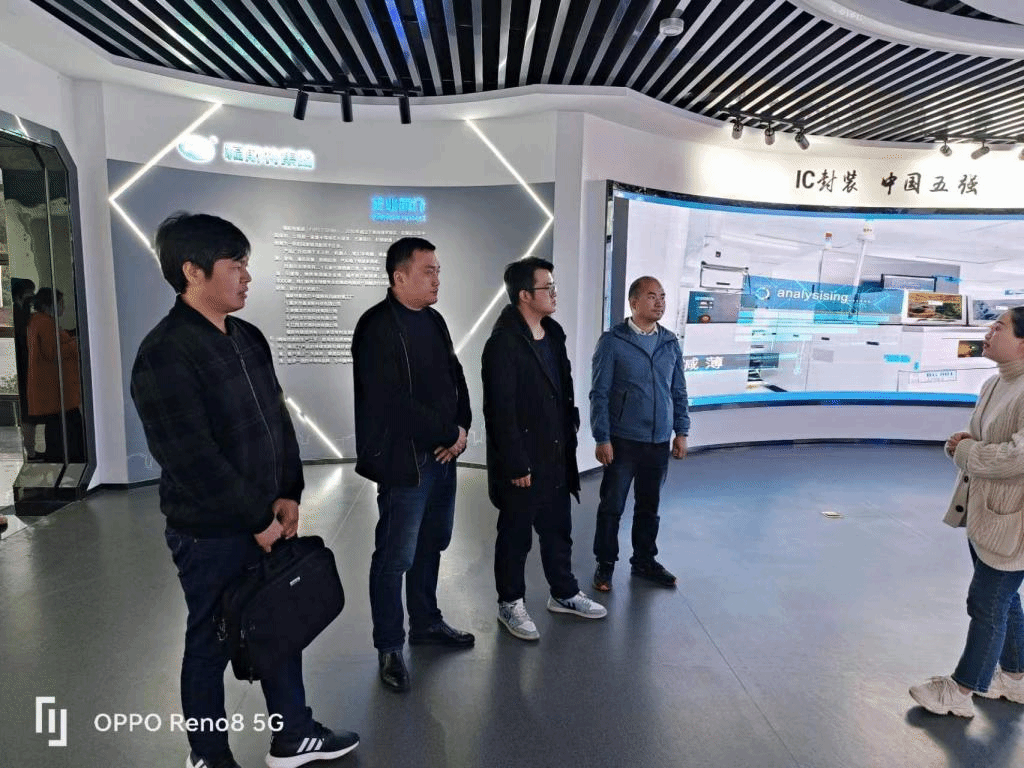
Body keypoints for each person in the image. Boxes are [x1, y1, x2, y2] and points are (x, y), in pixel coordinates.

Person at [131, 213, 358, 768]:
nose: (247, 276)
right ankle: (208, 754)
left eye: (246, 264)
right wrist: (256, 518)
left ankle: (293, 735)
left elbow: (277, 420)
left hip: (267, 517)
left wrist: (288, 492)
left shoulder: (247, 337)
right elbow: (191, 459)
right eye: (235, 265)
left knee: (280, 626)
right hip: (211, 534)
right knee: (210, 643)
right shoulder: (164, 353)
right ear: (192, 271)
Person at [352, 236, 474, 693]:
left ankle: (425, 622)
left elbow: (456, 377)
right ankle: (389, 645)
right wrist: (446, 433)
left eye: (438, 270)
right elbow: (390, 403)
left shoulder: (434, 320)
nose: (437, 278)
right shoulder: (376, 327)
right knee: (395, 556)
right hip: (405, 462)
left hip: (443, 456)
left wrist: (461, 428)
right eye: (428, 271)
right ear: (399, 276)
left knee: (432, 543)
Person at [483, 256, 607, 642]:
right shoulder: (503, 343)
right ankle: (509, 602)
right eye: (547, 287)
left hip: (556, 453)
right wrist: (516, 462)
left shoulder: (552, 333)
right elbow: (499, 411)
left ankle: (564, 592)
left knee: (558, 529)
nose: (554, 293)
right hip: (522, 461)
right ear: (524, 295)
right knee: (516, 535)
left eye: (554, 286)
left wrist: (571, 429)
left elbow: (562, 389)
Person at [909, 308, 1024, 718]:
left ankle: (961, 690)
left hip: (1014, 522)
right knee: (1003, 598)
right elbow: (981, 441)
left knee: (987, 602)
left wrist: (968, 451)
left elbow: (1017, 456)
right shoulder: (995, 383)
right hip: (989, 515)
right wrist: (961, 444)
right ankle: (1015, 677)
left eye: (999, 327)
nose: (988, 332)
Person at [589, 276, 690, 592]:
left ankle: (644, 560)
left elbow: (678, 390)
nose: (659, 302)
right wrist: (602, 437)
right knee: (612, 507)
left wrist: (681, 431)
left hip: (658, 442)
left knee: (649, 507)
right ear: (633, 302)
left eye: (663, 296)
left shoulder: (669, 342)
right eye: (651, 296)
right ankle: (605, 565)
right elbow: (600, 393)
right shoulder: (613, 341)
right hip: (623, 440)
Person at [26, 287, 85, 462]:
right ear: (49, 305)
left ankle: (59, 459)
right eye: (61, 303)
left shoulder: (38, 321)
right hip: (56, 390)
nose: (63, 307)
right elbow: (54, 352)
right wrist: (75, 343)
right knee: (67, 428)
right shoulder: (45, 323)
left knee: (58, 427)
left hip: (53, 389)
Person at [12, 278, 37, 459]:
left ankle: (31, 449)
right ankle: (30, 450)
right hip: (22, 365)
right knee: (27, 410)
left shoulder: (23, 310)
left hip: (25, 365)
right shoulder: (18, 313)